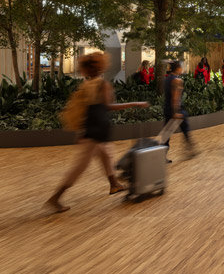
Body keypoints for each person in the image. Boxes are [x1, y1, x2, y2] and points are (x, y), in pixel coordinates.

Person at [46, 53, 150, 213]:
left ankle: (114, 184)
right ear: (100, 67)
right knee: (79, 167)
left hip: (92, 129)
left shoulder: (86, 85)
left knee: (107, 154)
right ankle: (55, 198)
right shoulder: (102, 84)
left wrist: (81, 130)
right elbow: (109, 106)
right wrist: (135, 103)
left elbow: (84, 110)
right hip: (98, 130)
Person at [164, 60, 200, 161]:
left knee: (167, 133)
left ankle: (162, 155)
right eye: (181, 67)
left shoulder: (167, 79)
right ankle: (190, 149)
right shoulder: (177, 81)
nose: (182, 69)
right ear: (178, 69)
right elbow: (176, 98)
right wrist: (176, 112)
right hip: (175, 110)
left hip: (167, 108)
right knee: (185, 129)